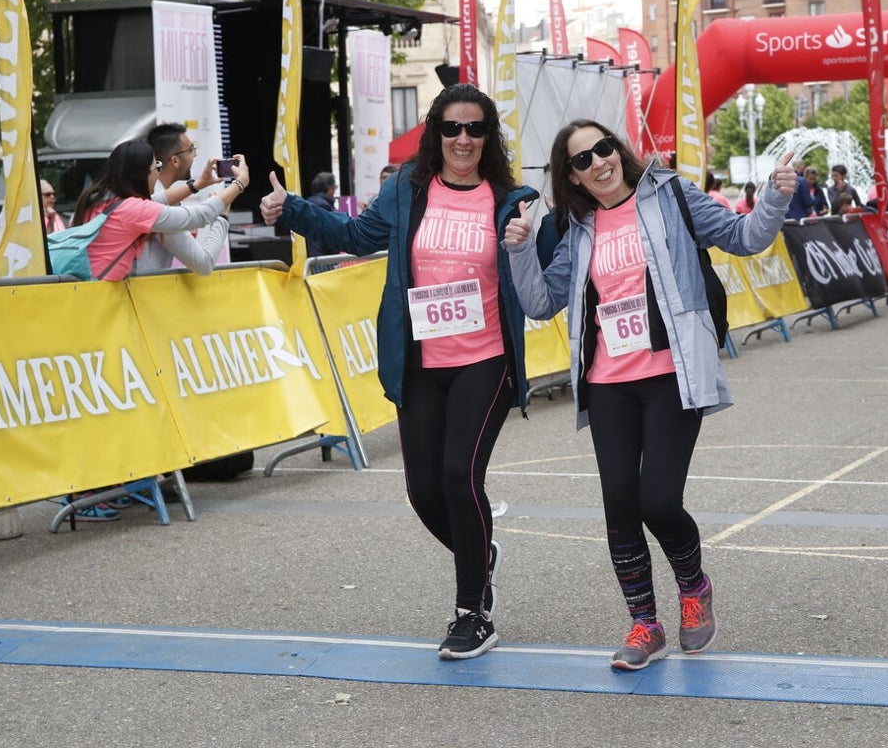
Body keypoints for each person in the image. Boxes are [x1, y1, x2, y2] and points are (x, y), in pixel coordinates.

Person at [501, 119, 796, 670]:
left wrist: (775, 199)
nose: (598, 164)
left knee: (657, 500)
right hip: (608, 382)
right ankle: (645, 625)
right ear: (572, 176)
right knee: (619, 507)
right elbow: (541, 303)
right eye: (582, 160)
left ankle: (693, 589)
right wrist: (518, 250)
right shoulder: (580, 227)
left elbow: (744, 237)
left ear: (619, 149)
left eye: (603, 149)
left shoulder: (672, 195)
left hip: (672, 374)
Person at [260, 83, 538, 660]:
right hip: (419, 360)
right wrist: (292, 209)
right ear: (436, 133)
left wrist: (525, 242)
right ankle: (479, 553)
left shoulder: (512, 199)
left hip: (483, 358)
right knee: (423, 492)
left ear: (489, 138)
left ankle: (472, 612)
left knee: (461, 478)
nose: (464, 139)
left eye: (475, 129)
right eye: (452, 128)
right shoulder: (408, 191)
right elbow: (355, 237)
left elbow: (547, 264)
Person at [70, 139, 243, 282]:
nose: (157, 175)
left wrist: (198, 184)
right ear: (140, 174)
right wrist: (238, 186)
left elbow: (155, 201)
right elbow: (200, 218)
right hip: (109, 302)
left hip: (84, 293)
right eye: (155, 168)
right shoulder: (134, 210)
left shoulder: (94, 199)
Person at [135, 122, 246, 275]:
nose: (195, 154)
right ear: (175, 161)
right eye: (191, 150)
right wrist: (222, 216)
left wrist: (199, 184)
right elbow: (204, 264)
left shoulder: (149, 195)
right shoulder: (160, 208)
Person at [303, 172, 340, 258]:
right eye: (335, 187)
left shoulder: (308, 203)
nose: (334, 191)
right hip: (322, 258)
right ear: (329, 188)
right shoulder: (323, 206)